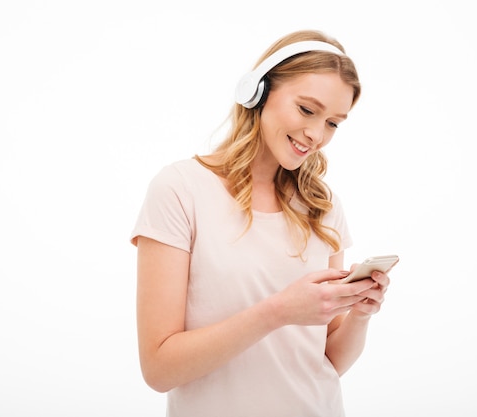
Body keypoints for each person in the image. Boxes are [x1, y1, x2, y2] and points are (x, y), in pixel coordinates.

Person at [130, 29, 391, 417]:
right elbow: (159, 368)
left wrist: (360, 313)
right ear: (257, 92)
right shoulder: (181, 189)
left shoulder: (323, 206)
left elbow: (328, 361)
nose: (317, 135)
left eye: (334, 123)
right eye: (306, 110)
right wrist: (278, 312)